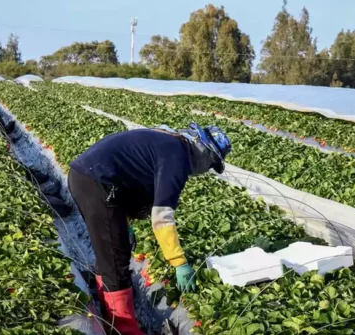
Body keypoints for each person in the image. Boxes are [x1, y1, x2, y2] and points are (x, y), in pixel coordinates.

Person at [67, 122, 232, 335]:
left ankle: (110, 312)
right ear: (204, 152)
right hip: (95, 182)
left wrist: (123, 225)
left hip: (92, 179)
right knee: (115, 262)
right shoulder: (177, 157)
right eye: (210, 164)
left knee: (114, 251)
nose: (206, 170)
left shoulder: (170, 144)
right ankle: (125, 329)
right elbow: (161, 216)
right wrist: (179, 262)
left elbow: (129, 177)